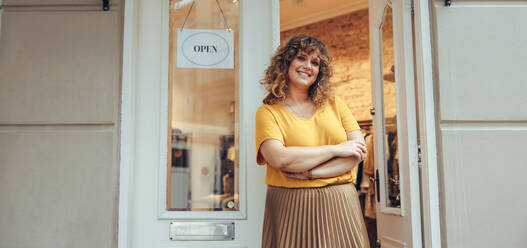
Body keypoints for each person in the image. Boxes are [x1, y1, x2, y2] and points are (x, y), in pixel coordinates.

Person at [255, 34, 370, 247]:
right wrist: (337, 149)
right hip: (291, 204)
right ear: (285, 63)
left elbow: (357, 152)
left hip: (340, 202)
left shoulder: (335, 104)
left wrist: (311, 173)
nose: (308, 66)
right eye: (301, 58)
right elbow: (279, 158)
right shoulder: (268, 112)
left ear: (320, 72)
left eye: (315, 62)